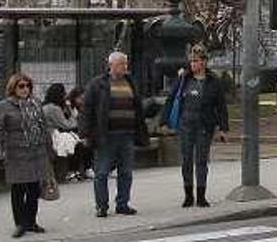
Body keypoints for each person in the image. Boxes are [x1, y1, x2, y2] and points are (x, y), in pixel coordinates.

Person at [162, 45, 229, 208]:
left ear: (204, 62)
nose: (193, 64)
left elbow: (221, 106)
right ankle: (188, 195)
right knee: (186, 160)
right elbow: (171, 100)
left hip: (205, 125)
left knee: (201, 161)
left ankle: (201, 195)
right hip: (186, 125)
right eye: (191, 61)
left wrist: (223, 128)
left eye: (196, 61)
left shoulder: (214, 81)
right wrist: (164, 122)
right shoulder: (184, 79)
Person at [82, 52, 147, 218]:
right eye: (121, 64)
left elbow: (137, 108)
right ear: (111, 65)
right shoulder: (98, 84)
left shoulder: (130, 82)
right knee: (102, 172)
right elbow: (87, 109)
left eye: (125, 64)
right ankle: (101, 205)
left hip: (127, 134)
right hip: (106, 135)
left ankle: (123, 204)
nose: (125, 67)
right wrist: (86, 133)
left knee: (126, 172)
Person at [0, 74, 50, 238]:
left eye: (27, 86)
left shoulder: (36, 103)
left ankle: (31, 221)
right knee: (18, 190)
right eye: (21, 86)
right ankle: (20, 224)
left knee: (33, 189)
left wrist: (49, 149)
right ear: (13, 88)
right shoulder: (4, 106)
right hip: (16, 153)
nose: (25, 89)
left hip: (36, 151)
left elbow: (43, 126)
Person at [41, 83, 83, 182]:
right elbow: (67, 125)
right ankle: (72, 171)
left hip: (48, 134)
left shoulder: (45, 106)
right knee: (77, 144)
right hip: (53, 135)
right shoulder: (54, 109)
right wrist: (72, 113)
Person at [66, 87, 93, 179]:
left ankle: (87, 168)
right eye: (80, 98)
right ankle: (76, 170)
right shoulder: (68, 107)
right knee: (80, 145)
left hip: (79, 131)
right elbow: (70, 122)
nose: (82, 101)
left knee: (89, 141)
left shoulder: (83, 107)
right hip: (69, 132)